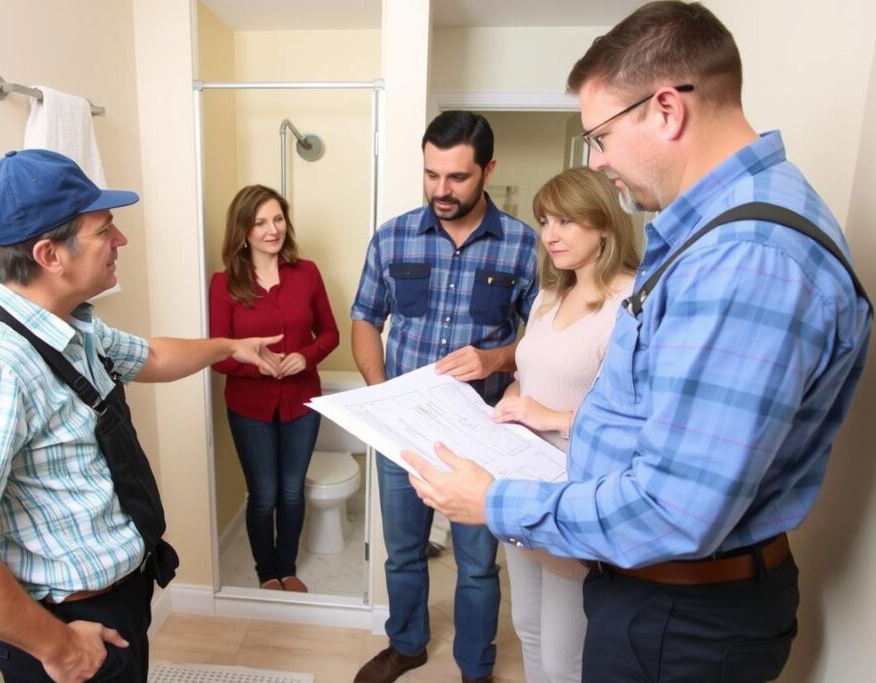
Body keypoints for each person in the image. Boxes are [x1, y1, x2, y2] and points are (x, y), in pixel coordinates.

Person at [405, 2, 872, 681]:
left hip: (684, 616)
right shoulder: (714, 235)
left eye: (598, 136)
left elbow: (673, 509)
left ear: (665, 110)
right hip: (664, 596)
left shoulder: (746, 260)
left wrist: (493, 499)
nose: (598, 160)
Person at [0, 149, 283, 683]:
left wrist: (228, 346)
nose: (120, 241)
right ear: (49, 255)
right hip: (66, 627)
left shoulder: (69, 326)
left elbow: (151, 356)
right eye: (105, 230)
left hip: (118, 601)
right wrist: (56, 647)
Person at [351, 110, 539, 683]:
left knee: (479, 565)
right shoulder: (392, 236)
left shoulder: (524, 247)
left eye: (456, 177)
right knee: (402, 552)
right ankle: (406, 644)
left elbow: (543, 341)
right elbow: (364, 319)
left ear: (488, 170)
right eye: (432, 174)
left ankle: (475, 666)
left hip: (482, 435)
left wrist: (497, 357)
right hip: (402, 431)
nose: (441, 190)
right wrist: (381, 399)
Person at [494, 167, 639, 682]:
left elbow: (636, 424)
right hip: (523, 482)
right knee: (527, 626)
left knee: (563, 657)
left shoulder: (630, 305)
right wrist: (513, 399)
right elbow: (527, 375)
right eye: (544, 221)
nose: (550, 234)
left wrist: (549, 416)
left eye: (566, 221)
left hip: (573, 496)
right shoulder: (547, 296)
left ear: (604, 226)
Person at [209, 184, 339, 593]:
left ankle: (288, 567)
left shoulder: (308, 273)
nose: (272, 229)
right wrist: (259, 366)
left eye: (278, 219)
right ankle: (266, 571)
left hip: (302, 402)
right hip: (250, 407)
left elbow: (331, 333)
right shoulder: (224, 283)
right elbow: (218, 355)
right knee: (263, 493)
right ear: (243, 230)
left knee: (292, 489)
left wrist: (307, 356)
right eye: (260, 222)